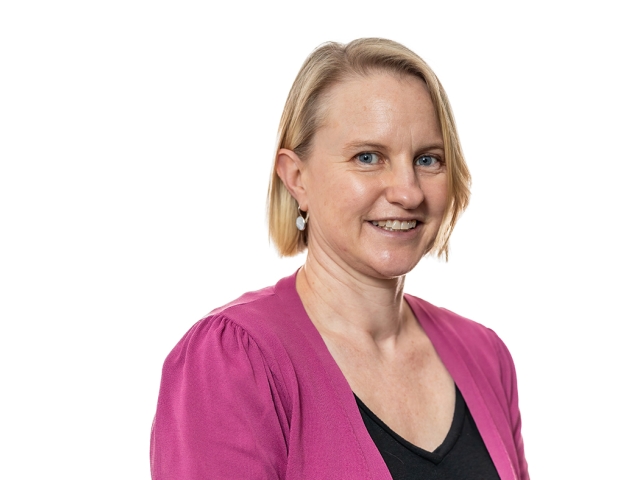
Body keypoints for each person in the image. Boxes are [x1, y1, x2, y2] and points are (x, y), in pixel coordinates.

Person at [150, 38, 528, 480]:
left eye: (428, 159)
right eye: (368, 157)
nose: (408, 192)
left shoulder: (485, 355)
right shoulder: (233, 360)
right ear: (297, 178)